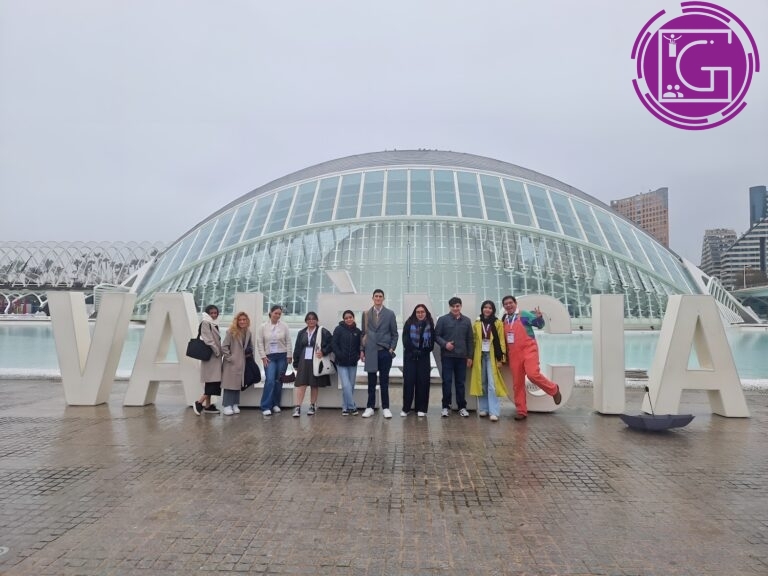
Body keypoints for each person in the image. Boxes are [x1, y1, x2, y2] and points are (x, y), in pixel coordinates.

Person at [501, 295, 562, 421]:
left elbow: (539, 325)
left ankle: (554, 389)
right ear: (504, 306)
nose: (508, 305)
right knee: (517, 384)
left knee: (532, 374)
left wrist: (539, 318)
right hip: (514, 354)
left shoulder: (523, 314)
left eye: (510, 302)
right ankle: (521, 411)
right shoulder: (504, 320)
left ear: (515, 303)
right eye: (506, 304)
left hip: (529, 350)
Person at [360, 289, 398, 419]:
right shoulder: (366, 314)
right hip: (370, 351)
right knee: (371, 381)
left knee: (384, 381)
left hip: (385, 352)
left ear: (383, 298)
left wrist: (391, 348)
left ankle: (386, 408)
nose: (378, 298)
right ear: (372, 298)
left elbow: (394, 334)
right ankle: (370, 407)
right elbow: (363, 333)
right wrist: (362, 350)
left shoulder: (390, 314)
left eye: (380, 296)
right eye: (376, 296)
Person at [434, 297, 474, 417]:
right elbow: (436, 336)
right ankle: (445, 407)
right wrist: (445, 344)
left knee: (460, 383)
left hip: (462, 357)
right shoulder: (443, 320)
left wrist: (470, 357)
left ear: (461, 306)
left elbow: (470, 340)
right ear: (449, 307)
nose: (455, 308)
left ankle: (462, 407)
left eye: (457, 306)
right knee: (447, 382)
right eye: (453, 306)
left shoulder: (466, 321)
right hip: (447, 357)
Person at [469, 300, 508, 422]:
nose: (487, 309)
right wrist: (470, 357)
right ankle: (484, 409)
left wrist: (501, 359)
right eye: (485, 307)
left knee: (492, 384)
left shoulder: (498, 323)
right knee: (482, 382)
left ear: (493, 310)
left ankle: (494, 411)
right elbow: (473, 341)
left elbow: (501, 341)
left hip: (492, 356)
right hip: (479, 356)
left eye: (490, 308)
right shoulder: (477, 323)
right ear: (482, 309)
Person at [291, 312, 333, 417]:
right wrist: (295, 363)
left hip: (316, 360)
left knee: (314, 384)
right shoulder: (301, 332)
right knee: (301, 384)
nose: (311, 321)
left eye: (313, 319)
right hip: (303, 361)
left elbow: (332, 344)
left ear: (317, 320)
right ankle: (298, 407)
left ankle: (312, 405)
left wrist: (324, 351)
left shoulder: (322, 331)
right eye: (309, 319)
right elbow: (297, 348)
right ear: (306, 321)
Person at [255, 304, 292, 416]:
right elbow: (259, 342)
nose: (277, 315)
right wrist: (263, 356)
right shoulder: (263, 327)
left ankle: (276, 403)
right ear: (270, 313)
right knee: (270, 380)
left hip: (282, 356)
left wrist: (289, 355)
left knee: (279, 380)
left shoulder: (284, 326)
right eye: (275, 313)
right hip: (269, 357)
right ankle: (266, 406)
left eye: (279, 314)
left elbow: (288, 341)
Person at [401, 304, 435, 417]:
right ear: (415, 313)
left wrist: (422, 351)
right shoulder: (408, 323)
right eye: (418, 312)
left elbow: (431, 343)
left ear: (426, 313)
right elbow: (405, 339)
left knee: (423, 383)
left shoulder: (430, 324)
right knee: (409, 383)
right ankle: (406, 408)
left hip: (423, 358)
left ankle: (421, 409)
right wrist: (413, 350)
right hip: (410, 357)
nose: (420, 314)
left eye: (422, 312)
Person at [221, 311, 253, 416]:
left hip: (242, 362)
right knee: (229, 384)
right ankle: (227, 405)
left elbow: (250, 346)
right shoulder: (231, 332)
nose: (242, 321)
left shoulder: (248, 332)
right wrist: (230, 358)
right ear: (236, 321)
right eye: (240, 320)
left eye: (244, 319)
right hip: (231, 363)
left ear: (247, 321)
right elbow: (224, 346)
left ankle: (234, 403)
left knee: (238, 384)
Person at [331, 310, 363, 416]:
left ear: (353, 318)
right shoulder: (338, 329)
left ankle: (345, 407)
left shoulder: (357, 331)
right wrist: (339, 354)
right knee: (346, 385)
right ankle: (352, 407)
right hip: (341, 362)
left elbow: (360, 346)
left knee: (351, 385)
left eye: (350, 317)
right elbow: (334, 343)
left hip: (353, 363)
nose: (348, 319)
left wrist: (357, 356)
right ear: (343, 319)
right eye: (346, 318)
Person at [193, 304, 222, 415]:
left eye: (215, 313)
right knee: (213, 382)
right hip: (211, 357)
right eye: (211, 313)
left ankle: (208, 406)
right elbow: (208, 340)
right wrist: (218, 351)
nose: (214, 315)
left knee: (211, 381)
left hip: (214, 358)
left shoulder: (213, 323)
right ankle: (199, 402)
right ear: (207, 314)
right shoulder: (206, 323)